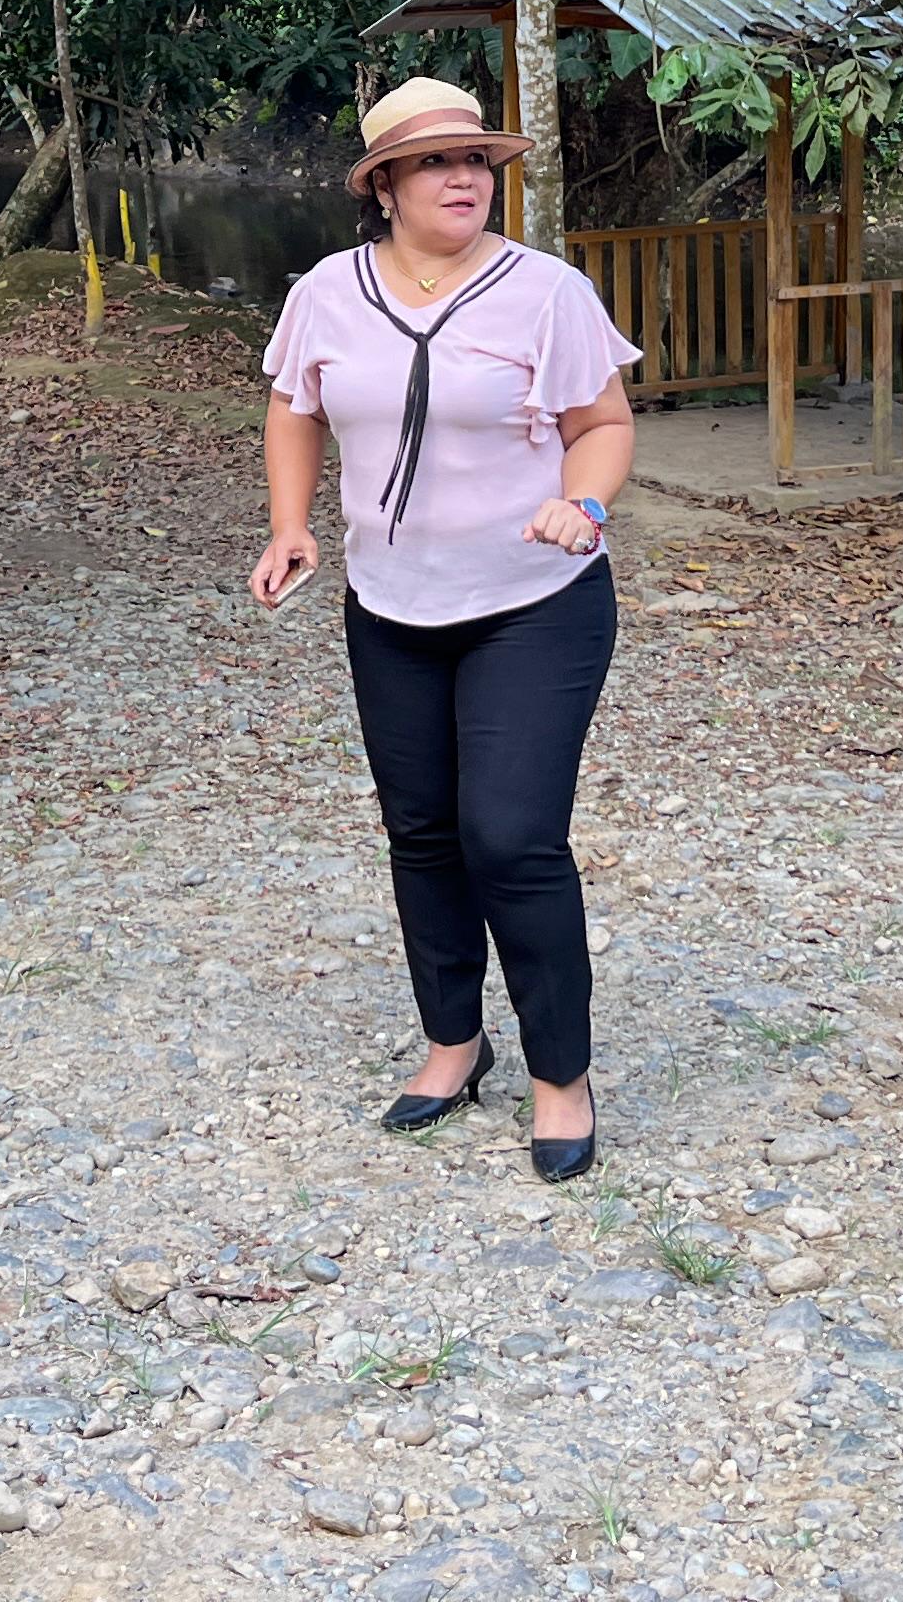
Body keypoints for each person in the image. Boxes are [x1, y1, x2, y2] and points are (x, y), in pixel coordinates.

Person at [252, 78, 640, 1180]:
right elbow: (293, 404)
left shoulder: (546, 292)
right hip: (390, 606)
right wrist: (291, 524)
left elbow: (603, 423)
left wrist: (584, 501)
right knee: (421, 832)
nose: (464, 177)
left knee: (510, 837)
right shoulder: (326, 293)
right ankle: (453, 1044)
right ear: (384, 186)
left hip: (534, 604)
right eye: (434, 162)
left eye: (476, 160)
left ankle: (560, 1077)